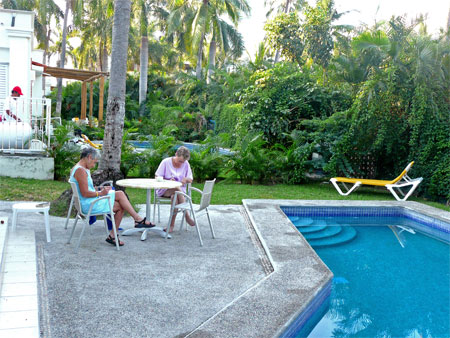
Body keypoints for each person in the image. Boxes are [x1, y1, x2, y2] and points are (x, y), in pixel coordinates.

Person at [70, 146, 155, 247]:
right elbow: (85, 193)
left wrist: (100, 190)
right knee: (120, 201)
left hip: (90, 201)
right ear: (89, 157)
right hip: (88, 205)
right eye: (94, 162)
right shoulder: (80, 171)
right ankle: (134, 221)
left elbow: (87, 189)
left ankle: (133, 222)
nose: (94, 165)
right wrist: (100, 193)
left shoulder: (81, 168)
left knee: (120, 197)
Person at [155, 146, 195, 232]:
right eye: (180, 161)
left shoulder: (186, 164)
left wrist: (185, 179)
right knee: (175, 187)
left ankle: (171, 225)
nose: (181, 163)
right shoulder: (165, 162)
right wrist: (168, 181)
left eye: (183, 162)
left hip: (178, 193)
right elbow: (157, 176)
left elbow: (190, 179)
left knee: (175, 197)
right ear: (176, 154)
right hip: (165, 190)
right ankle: (187, 216)